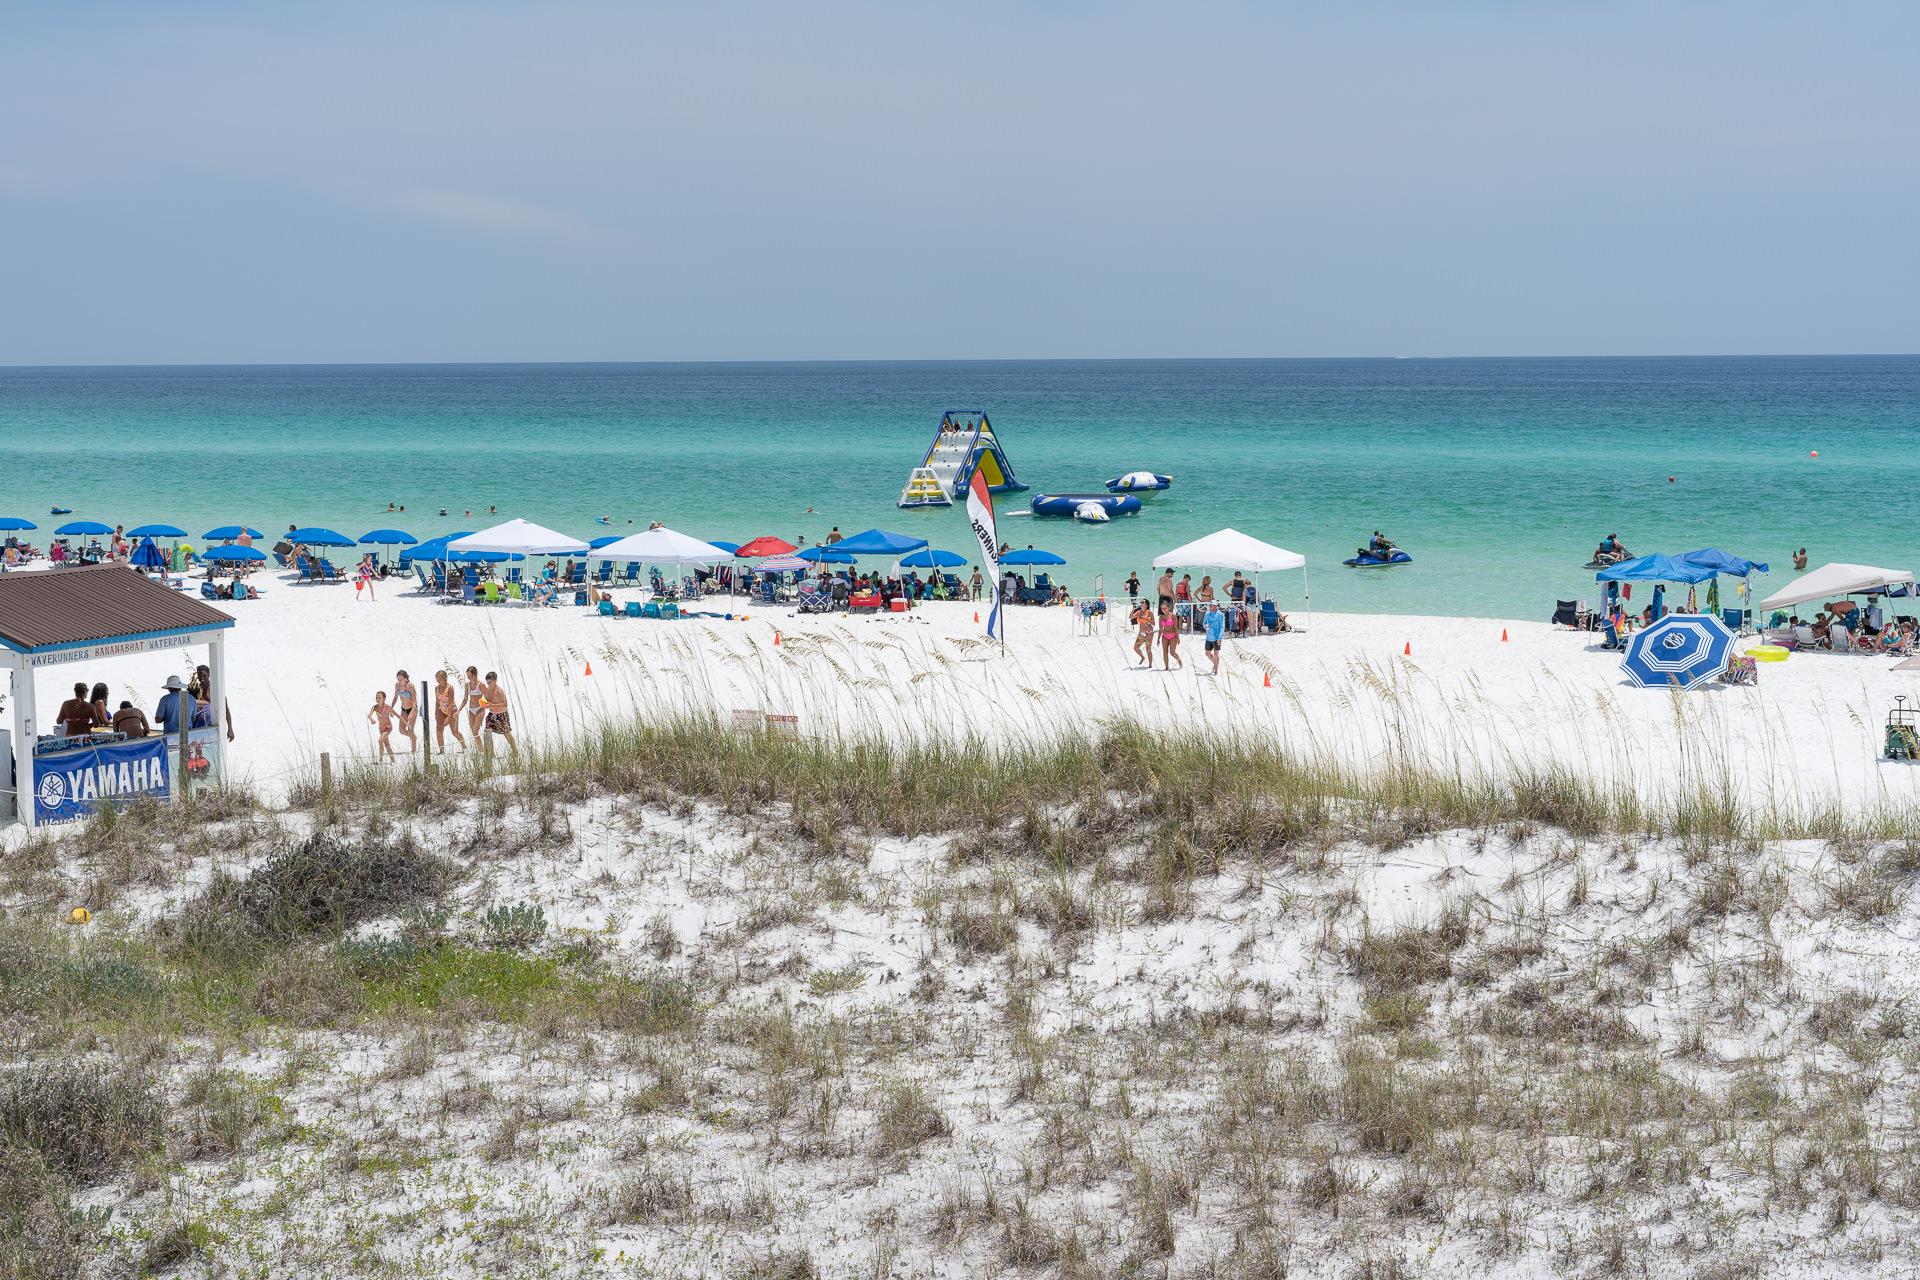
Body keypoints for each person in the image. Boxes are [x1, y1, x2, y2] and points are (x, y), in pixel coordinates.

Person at [479, 671, 517, 756]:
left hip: (502, 714)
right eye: (487, 682)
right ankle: (491, 752)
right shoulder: (488, 690)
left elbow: (505, 704)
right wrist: (484, 704)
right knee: (487, 731)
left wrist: (492, 704)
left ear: (495, 681)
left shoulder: (499, 691)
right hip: (492, 714)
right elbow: (486, 700)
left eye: (490, 682)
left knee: (506, 733)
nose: (488, 684)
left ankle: (515, 750)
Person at [192, 664, 234, 742]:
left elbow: (226, 709)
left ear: (209, 675)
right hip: (199, 727)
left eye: (204, 675)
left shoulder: (215, 689)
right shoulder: (196, 690)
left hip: (213, 727)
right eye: (199, 675)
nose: (201, 678)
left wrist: (230, 728)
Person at [390, 671, 418, 751]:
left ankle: (414, 750)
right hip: (404, 709)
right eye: (398, 679)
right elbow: (395, 698)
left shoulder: (410, 686)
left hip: (412, 708)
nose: (400, 681)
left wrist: (412, 712)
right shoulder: (397, 685)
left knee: (410, 729)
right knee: (401, 730)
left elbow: (415, 700)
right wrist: (391, 709)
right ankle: (413, 737)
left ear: (406, 678)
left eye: (401, 679)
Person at [367, 690, 398, 761]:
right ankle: (393, 760)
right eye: (376, 698)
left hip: (388, 727)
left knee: (380, 740)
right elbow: (369, 715)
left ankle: (380, 760)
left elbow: (397, 715)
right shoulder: (375, 707)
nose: (377, 699)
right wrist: (372, 719)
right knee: (387, 745)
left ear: (384, 698)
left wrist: (406, 724)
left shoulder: (387, 707)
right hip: (381, 728)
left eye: (379, 698)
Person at [463, 665, 488, 742]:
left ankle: (482, 752)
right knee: (473, 733)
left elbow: (487, 697)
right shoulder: (467, 685)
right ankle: (481, 751)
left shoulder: (481, 685)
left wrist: (482, 706)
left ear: (475, 674)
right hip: (471, 710)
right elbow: (465, 699)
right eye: (468, 676)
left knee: (475, 731)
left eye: (470, 676)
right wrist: (458, 711)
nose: (469, 678)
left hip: (479, 710)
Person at [1203, 602, 1226, 675]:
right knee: (1207, 654)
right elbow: (1204, 623)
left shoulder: (1220, 615)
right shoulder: (1207, 614)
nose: (1210, 606)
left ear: (1216, 606)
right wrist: (1205, 626)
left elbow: (1222, 627)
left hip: (1217, 637)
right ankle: (1215, 664)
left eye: (1212, 605)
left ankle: (1216, 671)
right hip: (1209, 637)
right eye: (1210, 605)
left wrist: (1220, 637)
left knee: (1216, 654)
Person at [1159, 601, 1182, 671]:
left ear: (1168, 608)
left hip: (1173, 636)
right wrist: (1158, 638)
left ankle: (1179, 661)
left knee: (1172, 652)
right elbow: (1160, 629)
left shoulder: (1173, 616)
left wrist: (1178, 638)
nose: (1163, 610)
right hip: (1164, 636)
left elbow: (1176, 628)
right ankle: (1166, 667)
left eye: (1165, 608)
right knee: (1164, 652)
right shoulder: (1161, 617)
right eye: (1162, 608)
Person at [1131, 600, 1154, 667]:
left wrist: (1147, 620)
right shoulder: (1139, 612)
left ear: (1146, 605)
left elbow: (1154, 623)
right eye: (1140, 603)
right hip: (1141, 633)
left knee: (1148, 649)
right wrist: (1133, 609)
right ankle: (1142, 657)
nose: (1141, 604)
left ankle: (1150, 665)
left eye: (1142, 603)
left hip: (1148, 633)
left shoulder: (1149, 612)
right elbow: (1131, 617)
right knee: (1136, 647)